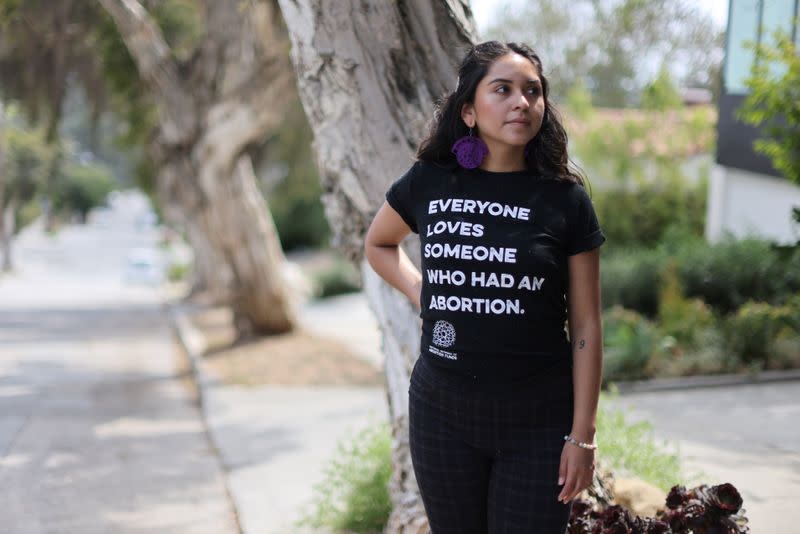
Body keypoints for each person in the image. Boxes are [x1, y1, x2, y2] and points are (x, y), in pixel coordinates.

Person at [364, 40, 605, 533]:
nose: (523, 101)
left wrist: (582, 436)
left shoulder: (566, 200)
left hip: (538, 417)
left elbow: (585, 324)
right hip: (442, 413)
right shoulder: (431, 181)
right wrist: (421, 294)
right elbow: (379, 244)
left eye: (533, 92)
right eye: (504, 89)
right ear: (469, 112)